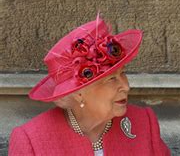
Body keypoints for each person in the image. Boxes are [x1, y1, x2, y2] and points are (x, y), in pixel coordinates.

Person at [8, 16, 171, 156]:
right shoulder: (31, 141)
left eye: (122, 73)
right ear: (79, 93)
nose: (126, 86)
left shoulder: (143, 123)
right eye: (112, 79)